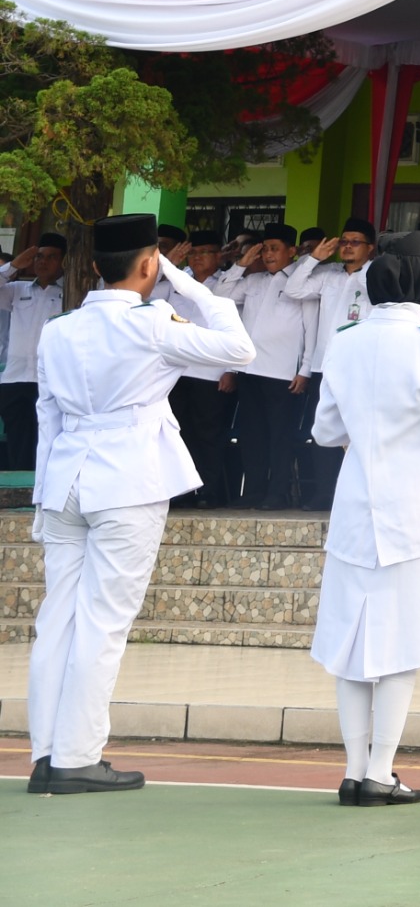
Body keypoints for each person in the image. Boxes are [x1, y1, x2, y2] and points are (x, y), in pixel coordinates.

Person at [24, 212, 254, 794]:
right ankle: (77, 757)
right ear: (151, 264)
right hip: (127, 482)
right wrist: (191, 285)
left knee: (58, 619)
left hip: (66, 480)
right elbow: (239, 348)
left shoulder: (59, 329)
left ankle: (46, 754)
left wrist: (41, 497)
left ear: (94, 266)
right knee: (103, 623)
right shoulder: (152, 324)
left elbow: (46, 418)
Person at [307, 231, 420, 807]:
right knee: (402, 647)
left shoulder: (345, 340)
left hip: (356, 508)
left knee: (351, 645)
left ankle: (354, 770)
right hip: (416, 512)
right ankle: (381, 771)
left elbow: (326, 430)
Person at [210, 223, 316, 510]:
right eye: (265, 249)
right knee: (252, 434)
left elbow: (311, 329)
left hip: (282, 373)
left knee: (279, 436)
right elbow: (219, 297)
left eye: (274, 249)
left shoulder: (301, 282)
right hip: (249, 370)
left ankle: (277, 493)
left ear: (291, 251)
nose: (268, 254)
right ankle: (254, 491)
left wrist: (305, 369)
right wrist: (241, 265)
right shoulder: (253, 281)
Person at [283, 220, 378, 501]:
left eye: (355, 242)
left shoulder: (376, 275)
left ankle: (355, 496)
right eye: (344, 241)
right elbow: (293, 290)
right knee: (324, 431)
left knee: (358, 433)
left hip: (360, 369)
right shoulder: (327, 274)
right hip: (324, 367)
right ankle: (324, 495)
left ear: (370, 248)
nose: (347, 247)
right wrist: (314, 259)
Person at [166, 229, 236, 507]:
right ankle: (181, 491)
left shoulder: (228, 284)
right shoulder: (176, 281)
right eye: (193, 253)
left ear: (219, 256)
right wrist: (170, 264)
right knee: (178, 433)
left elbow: (238, 327)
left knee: (209, 434)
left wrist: (231, 370)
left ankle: (208, 491)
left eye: (204, 252)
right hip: (177, 371)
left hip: (211, 372)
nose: (197, 258)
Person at [0, 232, 69, 471]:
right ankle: (20, 489)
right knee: (18, 441)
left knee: (49, 439)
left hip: (51, 379)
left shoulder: (73, 291)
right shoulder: (17, 289)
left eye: (51, 257)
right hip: (15, 379)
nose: (43, 262)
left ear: (63, 261)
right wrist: (14, 266)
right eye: (39, 256)